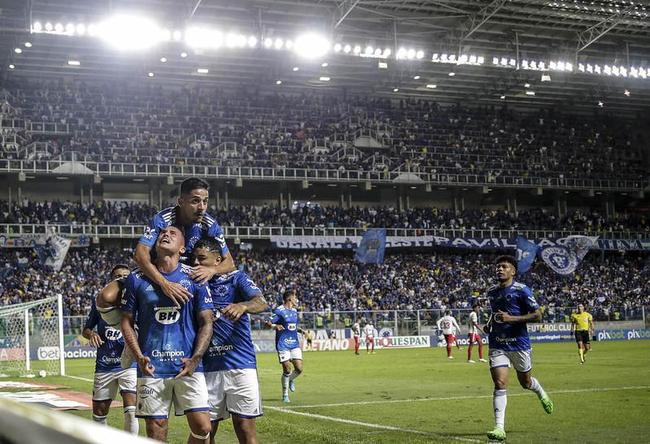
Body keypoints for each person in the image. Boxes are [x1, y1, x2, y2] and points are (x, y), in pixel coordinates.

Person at [120, 226, 214, 443]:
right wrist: (138, 357)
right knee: (156, 430)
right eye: (163, 233)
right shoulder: (137, 279)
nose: (166, 234)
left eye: (173, 233)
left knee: (203, 427)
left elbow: (207, 322)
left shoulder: (194, 277)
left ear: (182, 249)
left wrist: (195, 359)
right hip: (152, 367)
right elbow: (126, 321)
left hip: (187, 366)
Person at [97, 177, 235, 316]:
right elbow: (140, 255)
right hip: (159, 272)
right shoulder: (163, 219)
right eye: (195, 201)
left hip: (189, 277)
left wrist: (211, 270)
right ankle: (135, 328)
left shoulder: (209, 225)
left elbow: (229, 263)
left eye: (205, 201)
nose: (202, 207)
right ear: (180, 202)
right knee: (106, 297)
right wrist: (164, 284)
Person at [192, 238, 268, 444]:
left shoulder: (236, 278)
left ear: (217, 260)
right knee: (205, 430)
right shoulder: (191, 284)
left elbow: (261, 302)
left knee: (245, 429)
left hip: (240, 365)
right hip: (207, 368)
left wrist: (243, 306)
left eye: (202, 259)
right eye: (194, 260)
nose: (196, 264)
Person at [484, 255, 554, 442]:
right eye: (498, 266)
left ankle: (540, 391)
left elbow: (537, 315)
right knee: (500, 383)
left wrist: (511, 319)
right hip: (497, 343)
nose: (499, 269)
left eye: (504, 267)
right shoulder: (491, 292)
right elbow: (494, 313)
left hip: (519, 344)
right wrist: (489, 324)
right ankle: (499, 428)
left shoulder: (522, 290)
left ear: (513, 271)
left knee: (525, 382)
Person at [82, 264, 138, 434]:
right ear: (112, 281)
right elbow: (86, 329)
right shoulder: (100, 302)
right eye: (117, 276)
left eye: (125, 276)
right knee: (99, 412)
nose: (121, 278)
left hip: (128, 365)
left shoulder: (136, 299)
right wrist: (91, 334)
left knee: (131, 411)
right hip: (105, 364)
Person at [266, 290, 304, 403]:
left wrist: (301, 330)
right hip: (283, 344)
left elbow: (291, 327)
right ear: (289, 299)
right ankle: (285, 395)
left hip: (294, 343)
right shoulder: (279, 310)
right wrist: (274, 326)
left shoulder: (294, 311)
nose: (296, 300)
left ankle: (291, 380)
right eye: (295, 297)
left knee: (299, 369)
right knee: (287, 369)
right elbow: (267, 322)